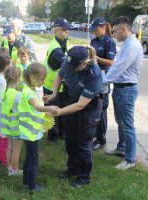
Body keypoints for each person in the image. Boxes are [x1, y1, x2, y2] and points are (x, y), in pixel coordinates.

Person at [44, 46, 103, 188]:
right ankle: (72, 168)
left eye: (73, 67)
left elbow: (81, 105)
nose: (69, 69)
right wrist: (54, 94)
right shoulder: (69, 62)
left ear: (84, 63)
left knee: (83, 143)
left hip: (89, 107)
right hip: (73, 100)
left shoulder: (94, 74)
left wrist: (58, 112)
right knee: (70, 139)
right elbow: (59, 75)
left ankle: (83, 177)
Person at [104, 16, 143, 170]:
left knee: (127, 125)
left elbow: (119, 68)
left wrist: (101, 83)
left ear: (123, 29)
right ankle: (121, 147)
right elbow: (115, 67)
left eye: (114, 31)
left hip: (127, 89)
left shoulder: (132, 46)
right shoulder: (127, 44)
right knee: (121, 121)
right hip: (120, 88)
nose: (113, 34)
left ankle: (130, 159)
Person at [19, 63, 59, 192]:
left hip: (29, 130)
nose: (43, 82)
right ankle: (32, 186)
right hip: (30, 132)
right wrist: (49, 107)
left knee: (29, 157)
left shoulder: (30, 89)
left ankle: (26, 180)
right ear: (32, 77)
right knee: (33, 159)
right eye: (41, 79)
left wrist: (44, 113)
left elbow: (34, 110)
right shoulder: (28, 92)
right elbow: (36, 106)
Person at [89, 17, 117, 150]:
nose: (94, 31)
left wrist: (97, 58)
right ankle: (94, 135)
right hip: (93, 76)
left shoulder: (109, 42)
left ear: (103, 27)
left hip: (104, 78)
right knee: (93, 106)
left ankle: (101, 138)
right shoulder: (94, 41)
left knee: (102, 108)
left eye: (96, 29)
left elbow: (111, 62)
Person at [43, 17, 71, 143]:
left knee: (63, 110)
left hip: (61, 84)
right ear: (56, 31)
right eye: (64, 29)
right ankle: (53, 137)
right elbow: (67, 63)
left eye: (68, 29)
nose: (67, 31)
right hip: (51, 85)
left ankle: (62, 134)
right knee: (52, 111)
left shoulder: (65, 42)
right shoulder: (55, 48)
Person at [1, 66, 23, 176]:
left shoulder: (4, 92)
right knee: (16, 151)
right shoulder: (18, 95)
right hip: (16, 126)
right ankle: (15, 171)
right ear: (18, 78)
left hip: (7, 125)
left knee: (10, 147)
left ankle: (9, 168)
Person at [0, 54, 12, 166]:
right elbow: (1, 98)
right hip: (2, 110)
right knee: (4, 134)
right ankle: (3, 158)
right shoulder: (2, 81)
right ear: (6, 67)